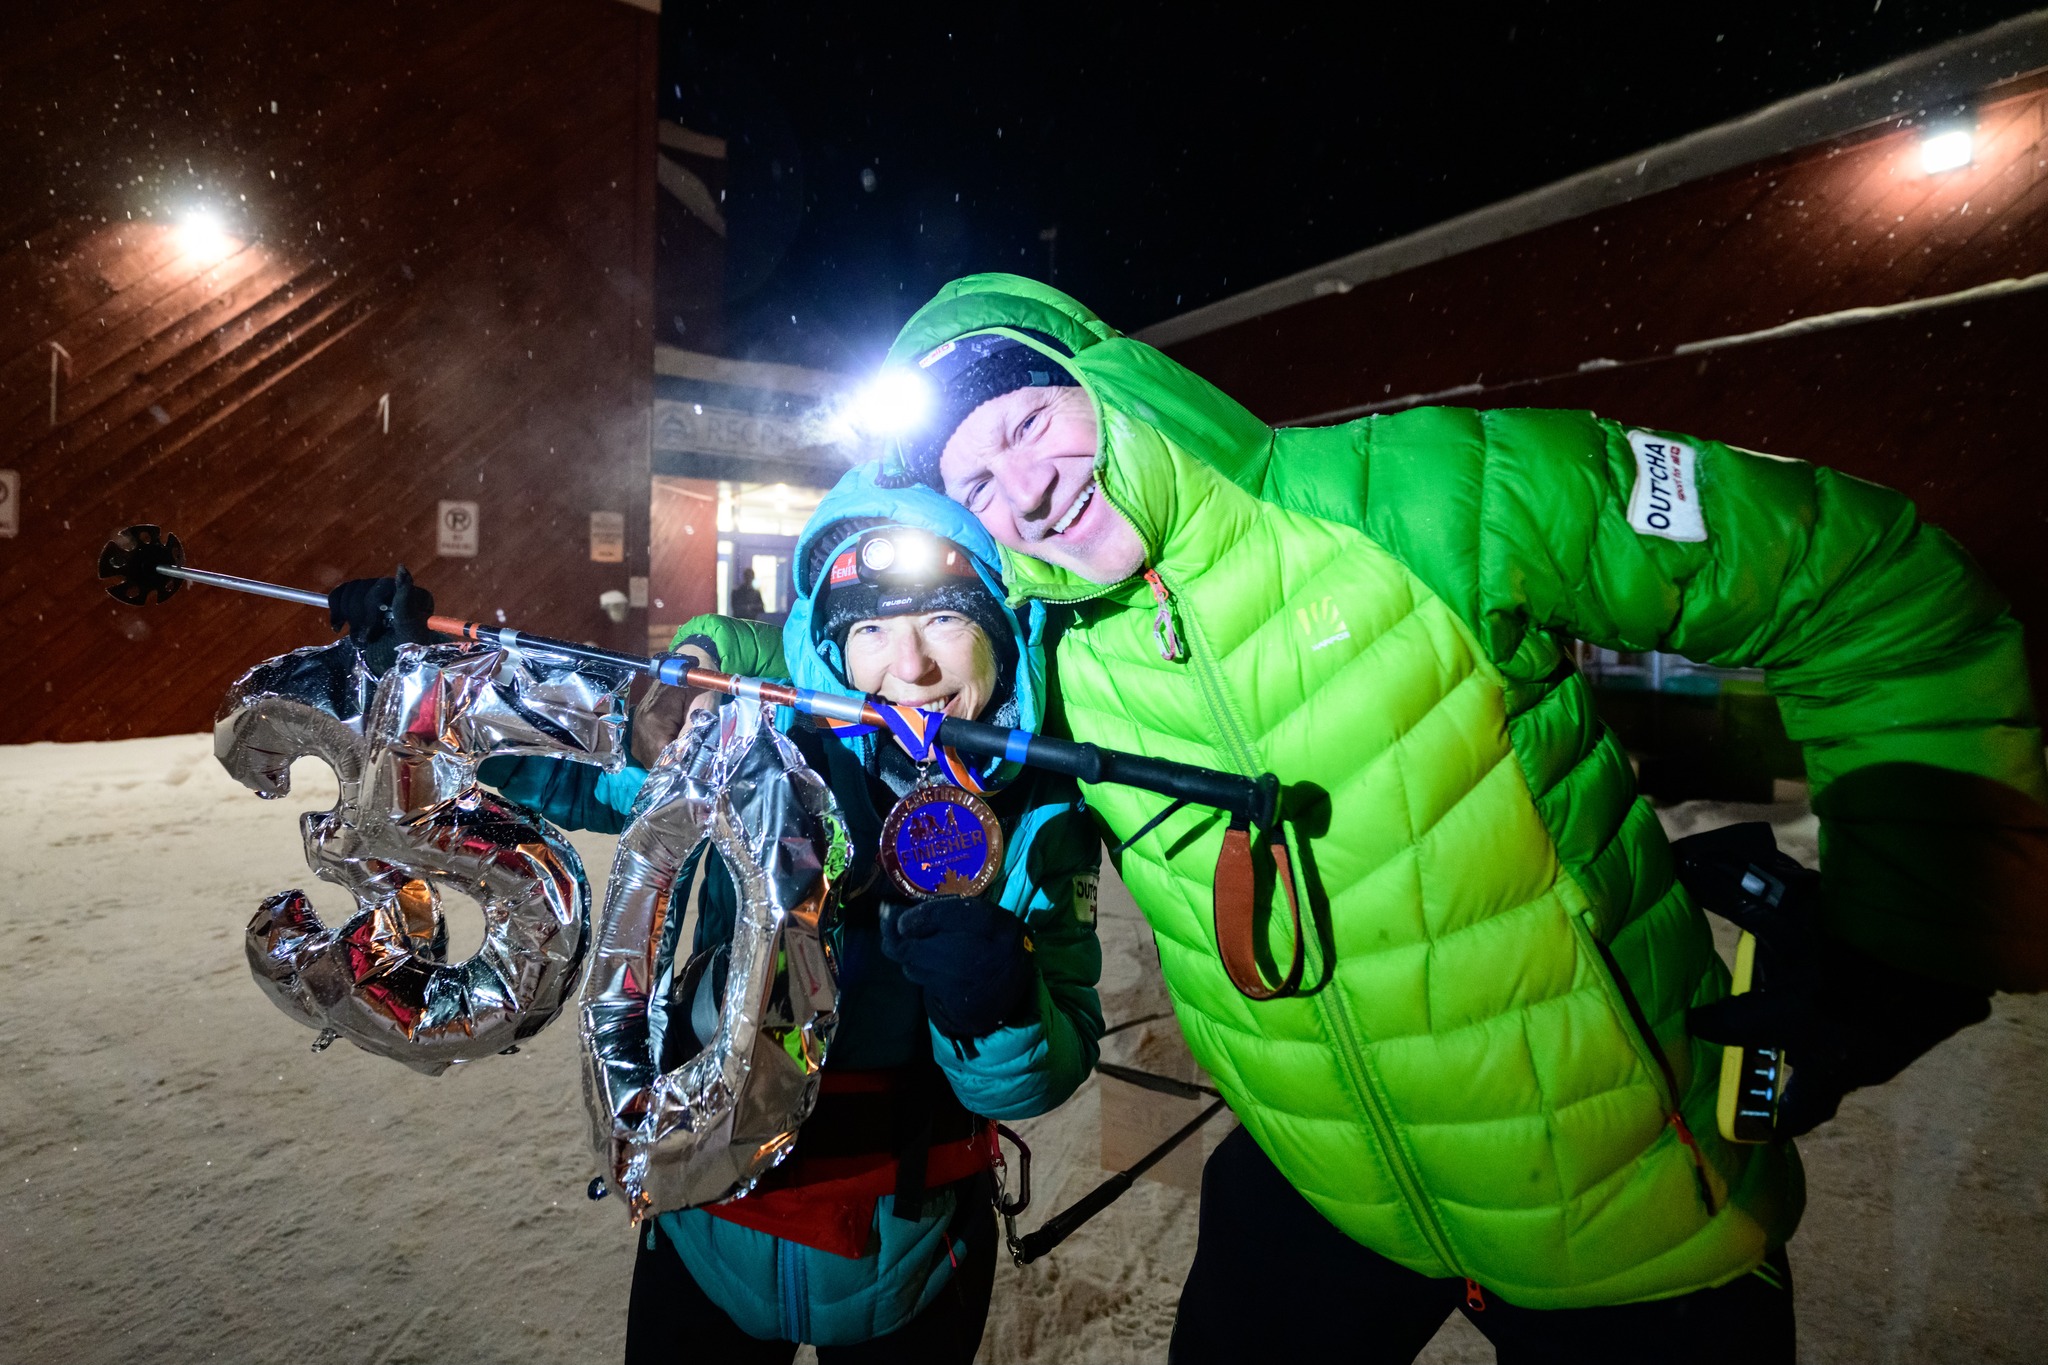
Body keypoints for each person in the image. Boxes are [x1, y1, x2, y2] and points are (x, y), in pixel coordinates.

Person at [866, 272, 2048, 1362]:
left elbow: (1863, 583)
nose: (1023, 488)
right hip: (1326, 1195)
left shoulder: (1425, 494)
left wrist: (1911, 936)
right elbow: (853, 666)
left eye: (1026, 423)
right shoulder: (1052, 654)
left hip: (1626, 1209)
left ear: (1114, 388)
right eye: (972, 481)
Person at [332, 482, 1104, 1364]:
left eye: (945, 621)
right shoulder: (756, 750)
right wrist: (405, 673)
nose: (913, 666)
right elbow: (569, 772)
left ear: (1001, 630)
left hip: (917, 1246)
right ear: (833, 648)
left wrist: (997, 1003)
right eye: (873, 630)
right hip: (708, 1228)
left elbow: (1044, 1074)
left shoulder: (1042, 813)